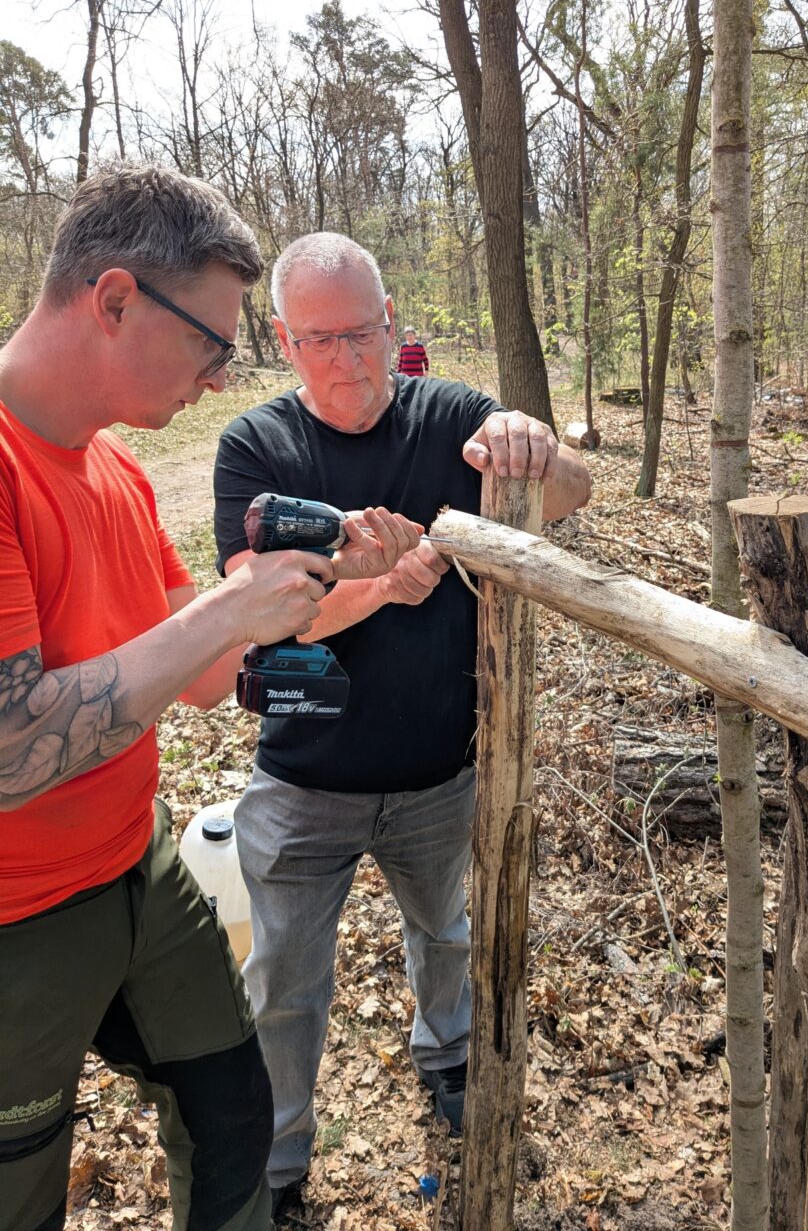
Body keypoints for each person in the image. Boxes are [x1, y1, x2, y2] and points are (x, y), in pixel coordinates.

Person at [0, 169, 421, 1231]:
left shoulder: (116, 471)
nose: (222, 374)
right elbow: (10, 747)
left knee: (236, 1118)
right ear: (115, 299)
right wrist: (230, 607)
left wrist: (333, 576)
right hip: (17, 918)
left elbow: (194, 672)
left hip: (137, 868)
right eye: (210, 341)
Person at [212, 232, 592, 1213]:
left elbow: (570, 495)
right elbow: (261, 612)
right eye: (320, 340)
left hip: (438, 770)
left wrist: (535, 446)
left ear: (391, 323)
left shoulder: (453, 416)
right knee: (284, 982)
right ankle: (278, 1163)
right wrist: (381, 584)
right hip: (303, 779)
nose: (348, 360)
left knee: (446, 932)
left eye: (362, 333)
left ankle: (450, 1057)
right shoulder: (257, 448)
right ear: (285, 341)